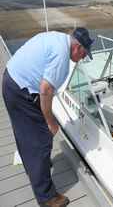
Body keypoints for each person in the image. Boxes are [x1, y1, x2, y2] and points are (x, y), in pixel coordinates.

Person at [2, 27, 94, 207]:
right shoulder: (61, 56)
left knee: (24, 133)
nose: (83, 58)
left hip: (12, 80)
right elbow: (45, 90)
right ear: (78, 48)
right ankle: (46, 196)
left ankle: (34, 167)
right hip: (22, 92)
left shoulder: (57, 38)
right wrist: (50, 122)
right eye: (84, 54)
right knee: (41, 139)